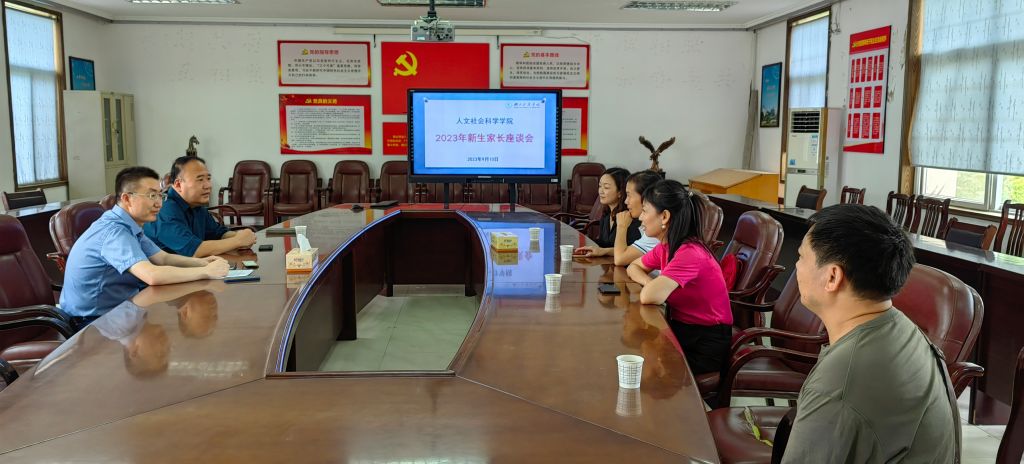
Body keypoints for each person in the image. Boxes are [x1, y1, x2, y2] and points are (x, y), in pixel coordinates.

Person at [780, 204, 956, 462]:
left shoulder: (838, 386)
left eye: (801, 256)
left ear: (832, 277)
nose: (796, 265)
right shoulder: (902, 328)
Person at [59, 166, 230, 330]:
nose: (159, 204)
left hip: (120, 310)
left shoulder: (130, 225)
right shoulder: (115, 232)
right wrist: (206, 272)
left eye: (160, 196)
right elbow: (152, 275)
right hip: (93, 323)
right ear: (127, 199)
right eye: (151, 196)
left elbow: (162, 258)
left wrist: (202, 263)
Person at [626, 179, 732, 375]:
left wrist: (651, 288)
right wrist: (650, 282)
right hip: (683, 329)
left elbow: (649, 296)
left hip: (704, 343)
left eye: (645, 211)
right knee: (640, 351)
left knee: (643, 360)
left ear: (665, 216)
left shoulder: (690, 253)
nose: (640, 217)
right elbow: (633, 267)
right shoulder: (667, 246)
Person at [144, 156, 257, 257]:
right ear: (178, 184)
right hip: (163, 271)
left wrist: (241, 235)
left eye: (208, 179)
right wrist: (238, 241)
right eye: (200, 179)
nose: (208, 185)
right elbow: (194, 250)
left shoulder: (196, 206)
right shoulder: (164, 209)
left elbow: (218, 233)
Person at [576, 170, 662, 265]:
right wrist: (603, 251)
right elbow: (632, 252)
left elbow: (621, 258)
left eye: (606, 187)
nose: (626, 201)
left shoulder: (649, 228)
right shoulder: (607, 214)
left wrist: (621, 226)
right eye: (600, 186)